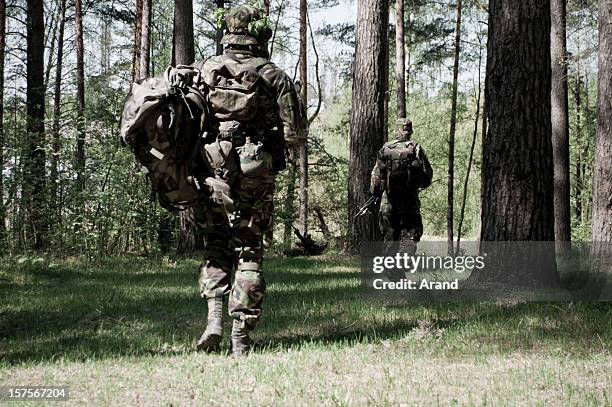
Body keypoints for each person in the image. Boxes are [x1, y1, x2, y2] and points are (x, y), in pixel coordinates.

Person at [192, 5, 307, 357]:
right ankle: (240, 338)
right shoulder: (273, 75)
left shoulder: (205, 70)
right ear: (259, 35)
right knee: (249, 248)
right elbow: (296, 135)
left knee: (216, 242)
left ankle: (214, 321)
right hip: (256, 167)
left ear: (228, 31)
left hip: (214, 165)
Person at [370, 119, 433, 249]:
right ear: (410, 130)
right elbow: (427, 179)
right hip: (409, 202)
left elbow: (375, 180)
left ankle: (391, 268)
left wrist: (376, 193)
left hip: (388, 202)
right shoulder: (416, 148)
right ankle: (404, 266)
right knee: (409, 238)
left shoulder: (385, 149)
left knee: (390, 238)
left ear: (396, 131)